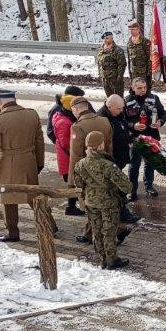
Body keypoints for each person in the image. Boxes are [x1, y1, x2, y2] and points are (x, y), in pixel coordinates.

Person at [0, 89, 46, 242]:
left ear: (0, 101)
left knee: (8, 198)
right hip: (29, 160)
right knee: (34, 196)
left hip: (8, 162)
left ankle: (12, 232)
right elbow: (39, 141)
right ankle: (49, 224)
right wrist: (39, 163)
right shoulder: (32, 114)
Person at [73, 131, 133, 270]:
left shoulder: (80, 164)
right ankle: (112, 259)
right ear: (100, 145)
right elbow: (127, 187)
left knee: (97, 230)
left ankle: (103, 259)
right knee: (109, 231)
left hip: (90, 201)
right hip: (108, 202)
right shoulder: (107, 165)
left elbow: (79, 184)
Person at [69, 96, 113, 238]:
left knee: (90, 204)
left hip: (87, 171)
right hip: (104, 167)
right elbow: (110, 146)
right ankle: (88, 234)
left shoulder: (77, 126)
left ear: (76, 109)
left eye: (73, 110)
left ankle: (117, 230)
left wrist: (72, 180)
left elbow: (75, 155)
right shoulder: (104, 120)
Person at [98, 94, 139, 224]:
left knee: (116, 188)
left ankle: (120, 212)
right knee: (117, 188)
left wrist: (130, 138)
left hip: (119, 158)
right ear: (109, 106)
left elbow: (124, 128)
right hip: (110, 160)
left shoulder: (117, 114)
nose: (122, 111)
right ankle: (122, 213)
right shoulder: (102, 119)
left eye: (122, 108)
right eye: (119, 109)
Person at [124, 76, 166, 200]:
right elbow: (123, 120)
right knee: (134, 165)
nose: (142, 90)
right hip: (135, 138)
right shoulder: (127, 101)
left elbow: (163, 113)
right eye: (139, 88)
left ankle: (149, 186)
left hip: (151, 136)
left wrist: (160, 122)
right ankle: (132, 190)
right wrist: (133, 125)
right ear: (133, 88)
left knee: (150, 163)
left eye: (144, 87)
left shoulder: (153, 98)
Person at [48, 86, 83, 216]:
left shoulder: (65, 117)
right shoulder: (64, 121)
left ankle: (73, 205)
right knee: (72, 183)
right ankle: (71, 207)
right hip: (68, 158)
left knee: (73, 182)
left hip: (68, 157)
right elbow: (66, 143)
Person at [95, 32, 127, 97]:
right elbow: (99, 63)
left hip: (114, 78)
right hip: (105, 78)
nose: (107, 40)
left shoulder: (117, 50)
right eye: (106, 38)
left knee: (118, 97)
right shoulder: (101, 49)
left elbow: (122, 65)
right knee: (109, 98)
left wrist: (119, 78)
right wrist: (100, 74)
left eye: (109, 38)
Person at [125, 19, 152, 91]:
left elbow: (150, 58)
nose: (131, 31)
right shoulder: (129, 42)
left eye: (133, 29)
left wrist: (148, 74)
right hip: (133, 72)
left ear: (138, 30)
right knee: (134, 91)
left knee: (144, 92)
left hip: (143, 73)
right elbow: (129, 58)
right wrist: (129, 71)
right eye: (130, 30)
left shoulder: (145, 42)